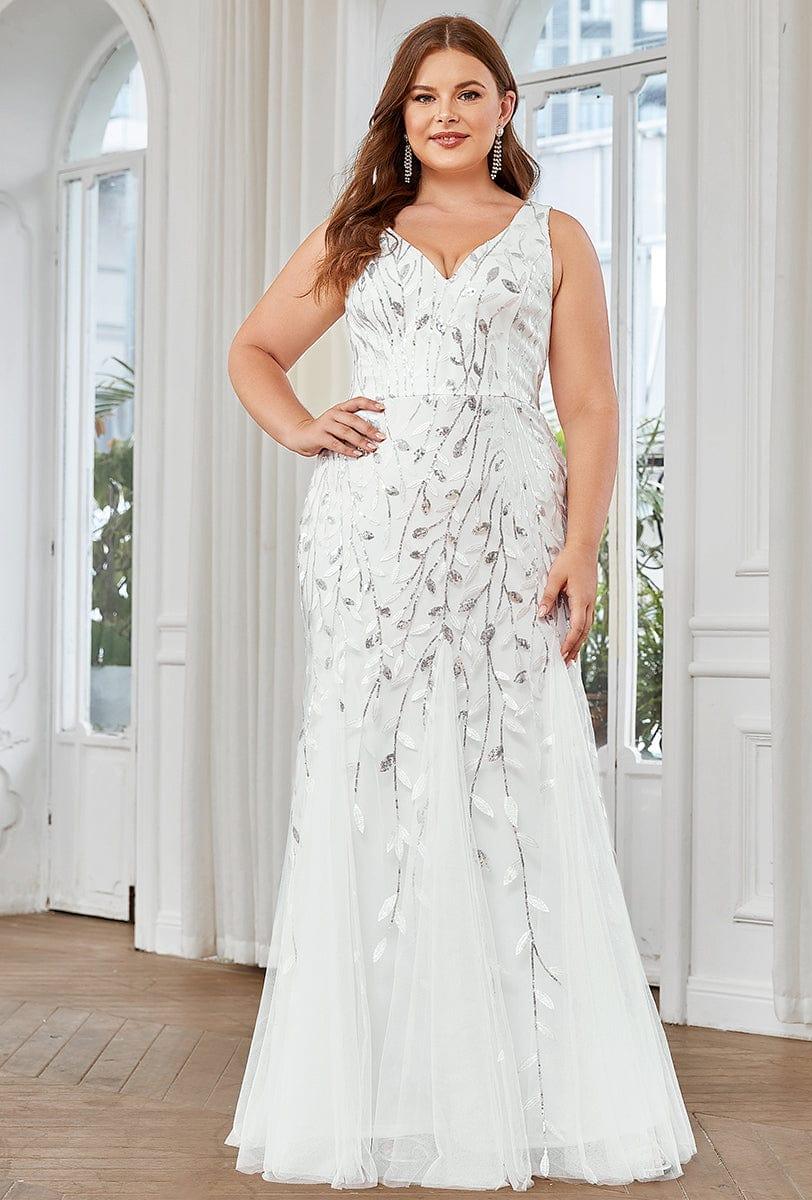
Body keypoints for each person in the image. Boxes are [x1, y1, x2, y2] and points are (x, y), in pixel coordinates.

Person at [223, 13, 697, 1191]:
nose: (446, 112)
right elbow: (254, 350)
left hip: (509, 541)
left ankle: (523, 1092)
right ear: (403, 113)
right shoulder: (357, 234)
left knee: (512, 780)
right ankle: (379, 1093)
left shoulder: (555, 238)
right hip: (372, 542)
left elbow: (590, 406)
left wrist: (583, 548)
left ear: (505, 108)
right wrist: (301, 428)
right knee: (373, 779)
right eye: (426, 95)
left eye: (468, 92)